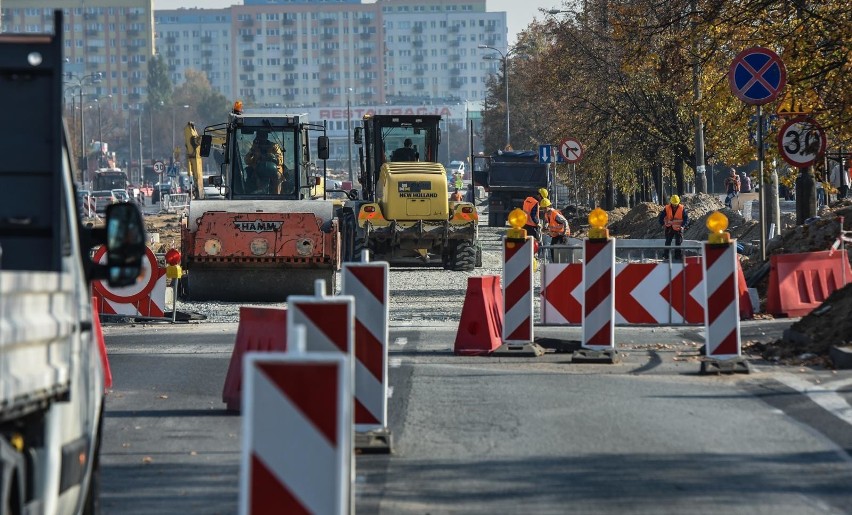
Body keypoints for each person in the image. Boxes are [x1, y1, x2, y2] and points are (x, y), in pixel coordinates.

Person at [658, 194, 689, 261]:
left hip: (678, 228)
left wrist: (683, 226)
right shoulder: (667, 208)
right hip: (669, 227)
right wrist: (662, 224)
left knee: (678, 242)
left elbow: (686, 218)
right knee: (668, 242)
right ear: (671, 203)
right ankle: (666, 256)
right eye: (673, 204)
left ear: (678, 203)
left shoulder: (682, 208)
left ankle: (677, 256)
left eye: (676, 204)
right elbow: (661, 217)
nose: (674, 206)